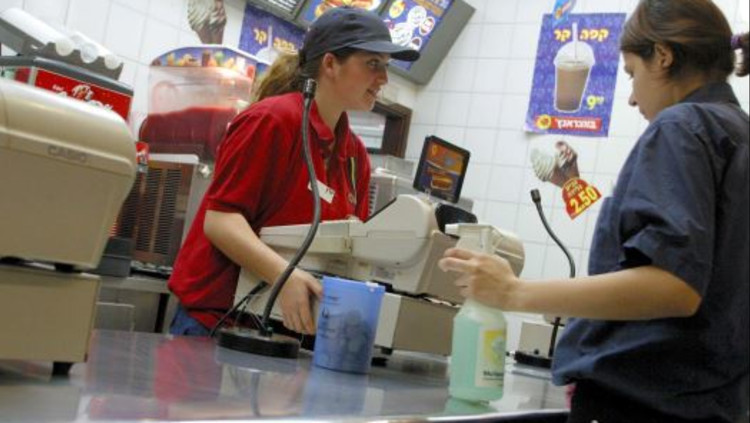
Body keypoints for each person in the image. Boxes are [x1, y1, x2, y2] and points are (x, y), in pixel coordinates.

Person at [439, 0, 749, 421]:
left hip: (643, 403)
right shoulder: (736, 134)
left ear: (662, 56)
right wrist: (572, 185)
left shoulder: (682, 126)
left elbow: (674, 285)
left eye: (631, 74)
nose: (632, 98)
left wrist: (513, 292)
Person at [168, 7, 420, 337]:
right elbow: (221, 221)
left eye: (386, 66)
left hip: (282, 332)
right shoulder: (271, 122)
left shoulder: (355, 154)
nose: (384, 78)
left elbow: (348, 246)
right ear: (330, 64)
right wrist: (283, 275)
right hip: (215, 323)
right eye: (373, 64)